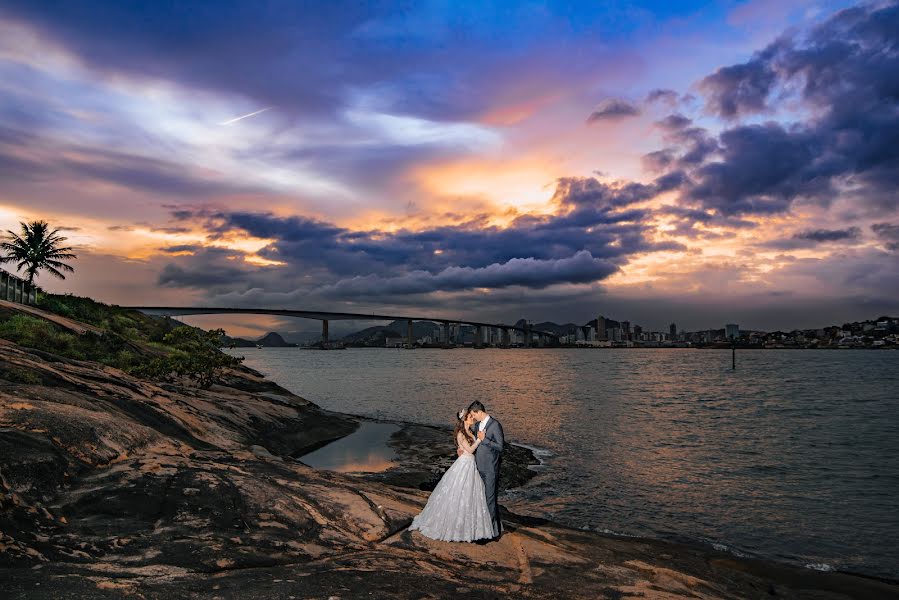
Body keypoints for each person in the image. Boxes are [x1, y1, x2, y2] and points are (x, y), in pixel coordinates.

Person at [408, 409, 496, 542]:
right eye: (470, 417)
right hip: (465, 464)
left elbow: (468, 449)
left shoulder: (470, 431)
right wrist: (480, 439)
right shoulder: (461, 433)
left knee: (470, 494)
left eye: (472, 416)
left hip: (470, 464)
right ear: (464, 419)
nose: (472, 418)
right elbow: (471, 449)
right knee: (459, 492)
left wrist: (474, 440)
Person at [467, 400, 503, 539]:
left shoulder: (495, 425)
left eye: (473, 414)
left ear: (479, 412)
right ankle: (483, 530)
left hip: (490, 469)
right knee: (481, 500)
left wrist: (485, 439)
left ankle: (494, 533)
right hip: (478, 468)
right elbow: (475, 443)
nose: (473, 417)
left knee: (490, 499)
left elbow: (500, 447)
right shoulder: (476, 425)